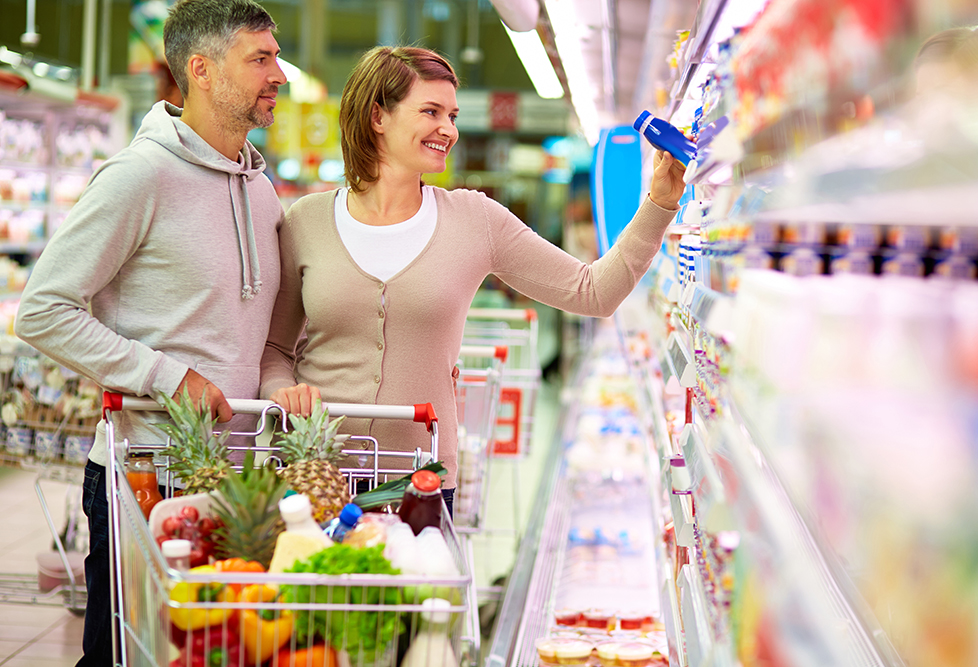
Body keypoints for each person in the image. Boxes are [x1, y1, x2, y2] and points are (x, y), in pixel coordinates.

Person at [260, 46, 686, 509]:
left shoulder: (474, 220)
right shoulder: (306, 221)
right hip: (310, 474)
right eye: (431, 111)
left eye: (453, 115)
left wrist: (658, 204)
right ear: (377, 116)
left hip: (417, 481)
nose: (449, 129)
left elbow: (593, 292)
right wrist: (278, 389)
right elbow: (275, 349)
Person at [13, 0, 287, 663]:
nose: (279, 74)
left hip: (236, 480)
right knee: (124, 653)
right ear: (202, 69)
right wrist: (168, 376)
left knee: (206, 651)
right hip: (146, 477)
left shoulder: (261, 187)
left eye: (276, 56)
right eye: (260, 59)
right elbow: (44, 307)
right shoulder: (140, 176)